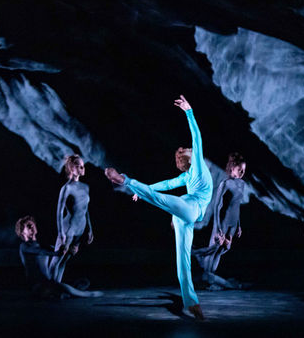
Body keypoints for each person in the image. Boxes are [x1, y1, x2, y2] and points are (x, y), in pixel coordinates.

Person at [105, 94, 212, 320]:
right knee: (181, 256)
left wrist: (144, 193)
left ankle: (191, 303)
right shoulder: (197, 166)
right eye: (188, 150)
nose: (190, 149)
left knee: (182, 258)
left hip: (186, 212)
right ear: (191, 157)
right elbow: (197, 137)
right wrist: (189, 112)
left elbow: (166, 184)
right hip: (189, 209)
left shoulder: (190, 174)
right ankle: (126, 181)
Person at [193, 152, 248, 290]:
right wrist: (217, 226)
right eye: (240, 169)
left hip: (234, 223)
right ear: (232, 167)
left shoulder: (242, 183)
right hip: (223, 222)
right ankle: (209, 274)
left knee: (224, 249)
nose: (242, 172)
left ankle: (210, 277)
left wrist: (239, 225)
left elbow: (238, 204)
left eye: (244, 170)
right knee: (215, 248)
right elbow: (217, 206)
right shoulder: (226, 183)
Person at [15, 216, 102, 298]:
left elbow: (58, 250)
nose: (32, 227)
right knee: (60, 287)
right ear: (22, 232)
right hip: (37, 286)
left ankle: (63, 292)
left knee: (82, 282)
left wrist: (73, 249)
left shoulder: (42, 245)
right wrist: (57, 253)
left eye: (33, 225)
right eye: (29, 226)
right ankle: (84, 294)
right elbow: (42, 252)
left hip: (49, 283)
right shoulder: (24, 246)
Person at [48, 154, 93, 283]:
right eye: (79, 166)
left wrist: (90, 229)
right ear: (72, 168)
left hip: (80, 229)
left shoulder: (86, 187)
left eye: (83, 166)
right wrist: (61, 232)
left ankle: (57, 287)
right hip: (69, 229)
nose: (82, 169)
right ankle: (49, 288)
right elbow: (59, 211)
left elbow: (85, 209)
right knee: (57, 260)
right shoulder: (66, 188)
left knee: (65, 261)